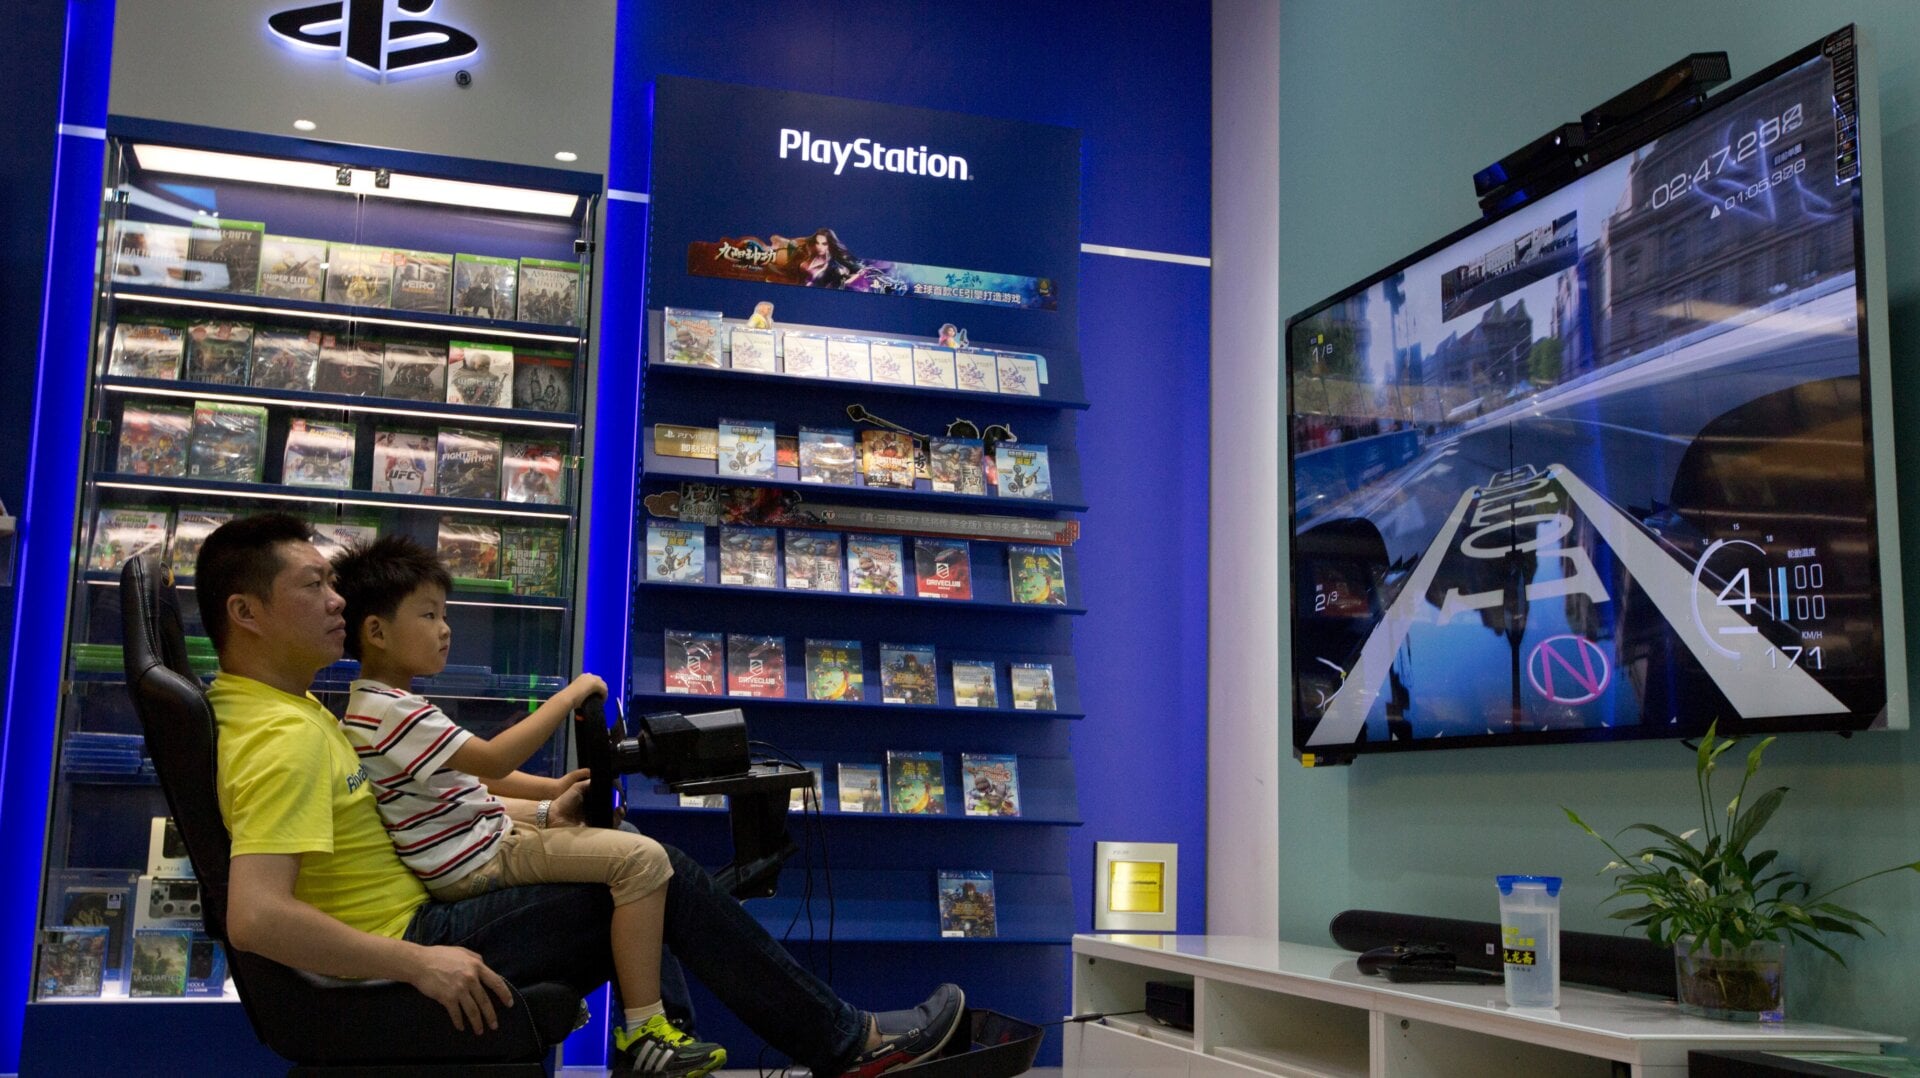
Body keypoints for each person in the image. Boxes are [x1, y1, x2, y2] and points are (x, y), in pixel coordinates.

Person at [196, 513, 965, 1077]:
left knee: (645, 877)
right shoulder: (284, 739)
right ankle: (845, 1043)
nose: (335, 600)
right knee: (652, 867)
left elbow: (429, 810)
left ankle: (672, 1046)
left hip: (423, 914)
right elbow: (258, 917)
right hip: (416, 941)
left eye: (333, 583)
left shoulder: (296, 711)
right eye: (312, 586)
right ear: (246, 612)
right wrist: (417, 965)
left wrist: (535, 811)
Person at [329, 535, 721, 1074]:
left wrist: (553, 790)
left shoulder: (387, 708)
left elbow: (474, 782)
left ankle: (660, 1030)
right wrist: (568, 695)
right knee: (645, 861)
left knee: (629, 849)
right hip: (477, 864)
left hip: (483, 846)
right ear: (375, 631)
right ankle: (647, 1029)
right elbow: (491, 760)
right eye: (428, 615)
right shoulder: (392, 713)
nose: (445, 629)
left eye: (444, 614)